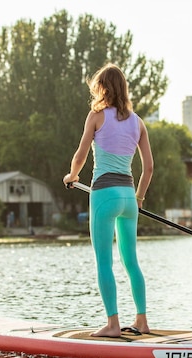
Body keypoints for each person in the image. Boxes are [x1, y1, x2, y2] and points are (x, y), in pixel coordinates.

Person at [63, 63, 154, 338]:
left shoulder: (96, 116)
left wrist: (72, 175)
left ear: (102, 89)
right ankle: (142, 321)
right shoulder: (138, 122)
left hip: (104, 194)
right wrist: (139, 198)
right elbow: (148, 167)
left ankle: (113, 325)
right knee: (132, 262)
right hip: (128, 196)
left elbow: (81, 155)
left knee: (104, 261)